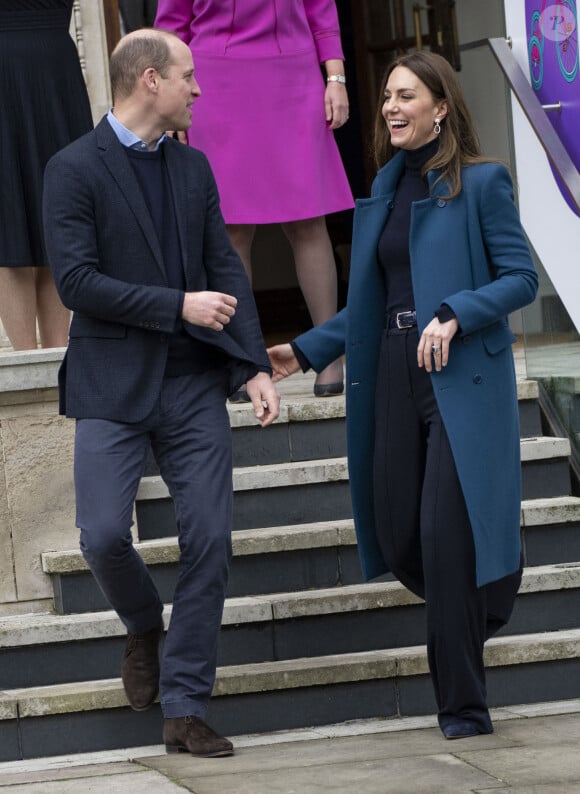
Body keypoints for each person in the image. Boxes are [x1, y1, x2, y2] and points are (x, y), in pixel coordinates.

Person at [268, 50, 538, 740]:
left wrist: (455, 312)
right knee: (397, 530)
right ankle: (481, 597)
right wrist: (303, 350)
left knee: (447, 539)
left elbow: (519, 281)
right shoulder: (384, 189)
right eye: (387, 95)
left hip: (459, 377)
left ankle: (464, 709)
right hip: (390, 368)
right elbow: (370, 302)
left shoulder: (481, 184)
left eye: (406, 95)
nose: (390, 106)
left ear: (441, 106)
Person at [43, 28, 279, 757]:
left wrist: (252, 366)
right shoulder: (72, 168)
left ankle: (184, 705)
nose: (197, 89)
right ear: (149, 80)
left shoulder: (196, 168)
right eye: (187, 76)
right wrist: (177, 304)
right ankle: (145, 623)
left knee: (210, 538)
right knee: (104, 536)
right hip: (112, 383)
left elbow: (224, 269)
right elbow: (76, 282)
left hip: (192, 384)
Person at [154, 0, 354, 399]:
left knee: (307, 219)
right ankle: (245, 359)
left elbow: (321, 8)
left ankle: (329, 352)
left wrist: (336, 78)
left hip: (293, 77)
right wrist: (172, 99)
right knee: (231, 229)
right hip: (215, 84)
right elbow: (171, 27)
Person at [0, 0, 93, 351]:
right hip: (5, 68)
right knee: (9, 215)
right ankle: (25, 362)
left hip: (57, 72)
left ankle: (58, 354)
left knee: (59, 211)